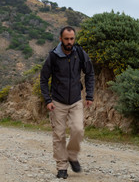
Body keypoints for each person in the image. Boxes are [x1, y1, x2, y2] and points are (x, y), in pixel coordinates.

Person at [40, 26, 95, 179]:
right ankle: (62, 167)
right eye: (66, 39)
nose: (69, 42)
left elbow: (90, 73)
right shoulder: (53, 56)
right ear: (60, 39)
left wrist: (89, 95)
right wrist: (48, 99)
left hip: (76, 100)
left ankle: (72, 156)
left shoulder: (80, 54)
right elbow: (44, 79)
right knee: (59, 135)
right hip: (57, 102)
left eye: (72, 39)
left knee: (78, 130)